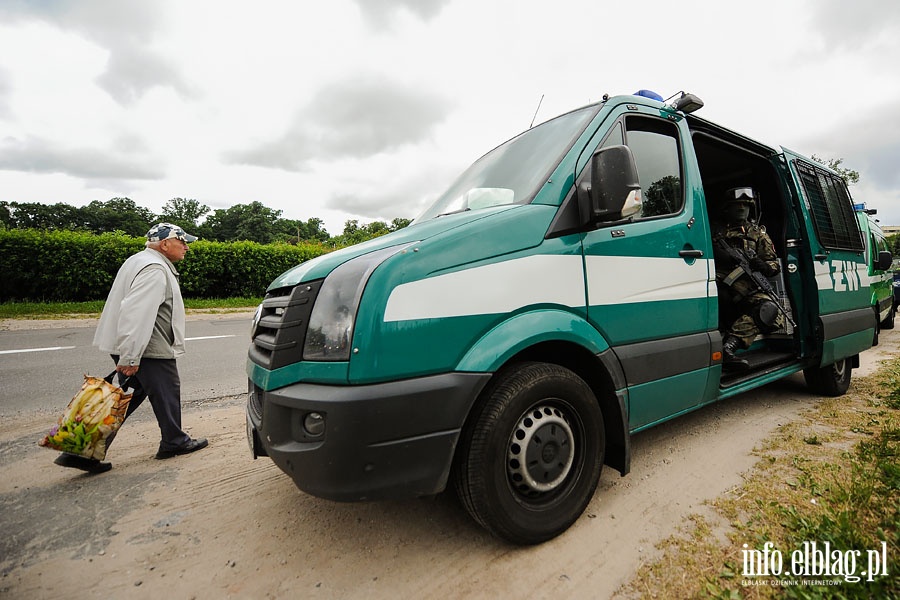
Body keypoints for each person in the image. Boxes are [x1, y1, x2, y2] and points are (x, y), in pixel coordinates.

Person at [54, 223, 208, 473]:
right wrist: (131, 355)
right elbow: (137, 314)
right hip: (147, 347)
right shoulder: (155, 269)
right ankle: (174, 441)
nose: (187, 247)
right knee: (166, 391)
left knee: (128, 396)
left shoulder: (139, 260)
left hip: (137, 344)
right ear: (164, 244)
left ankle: (81, 451)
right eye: (182, 241)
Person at [713, 187, 784, 371]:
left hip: (747, 288)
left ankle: (728, 347)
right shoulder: (714, 230)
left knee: (769, 311)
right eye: (738, 205)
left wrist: (763, 265)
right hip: (718, 285)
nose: (742, 208)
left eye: (745, 205)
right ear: (727, 208)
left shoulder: (757, 234)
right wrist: (719, 255)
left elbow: (773, 265)